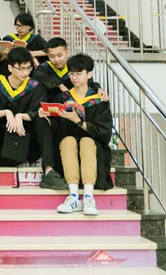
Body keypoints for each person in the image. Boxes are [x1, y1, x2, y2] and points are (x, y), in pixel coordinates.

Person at [0, 48, 68, 190]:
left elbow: (39, 111)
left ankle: (49, 172)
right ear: (10, 68)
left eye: (28, 68)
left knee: (42, 120)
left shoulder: (36, 86)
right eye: (21, 69)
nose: (25, 73)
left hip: (25, 138)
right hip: (0, 139)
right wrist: (6, 113)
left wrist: (21, 116)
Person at [39, 54, 113, 216]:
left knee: (86, 141)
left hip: (93, 148)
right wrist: (46, 116)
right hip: (66, 148)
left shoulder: (99, 100)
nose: (74, 77)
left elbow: (104, 132)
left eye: (79, 73)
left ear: (89, 74)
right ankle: (73, 197)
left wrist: (78, 121)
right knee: (68, 141)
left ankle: (88, 197)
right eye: (71, 73)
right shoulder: (63, 97)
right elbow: (55, 129)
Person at [34, 37, 108, 102]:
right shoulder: (44, 68)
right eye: (52, 56)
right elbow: (36, 75)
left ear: (67, 52)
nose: (56, 60)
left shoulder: (76, 67)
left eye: (60, 55)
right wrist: (60, 85)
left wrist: (99, 89)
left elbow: (89, 84)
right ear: (48, 55)